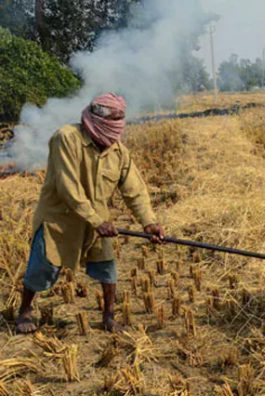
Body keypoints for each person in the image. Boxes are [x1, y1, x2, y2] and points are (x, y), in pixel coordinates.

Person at [15, 93, 165, 334]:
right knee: (42, 268)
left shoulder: (119, 152)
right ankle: (24, 311)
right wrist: (96, 220)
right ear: (94, 120)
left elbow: (134, 190)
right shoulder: (66, 138)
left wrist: (149, 223)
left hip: (96, 223)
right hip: (59, 219)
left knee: (107, 270)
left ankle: (108, 317)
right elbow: (68, 186)